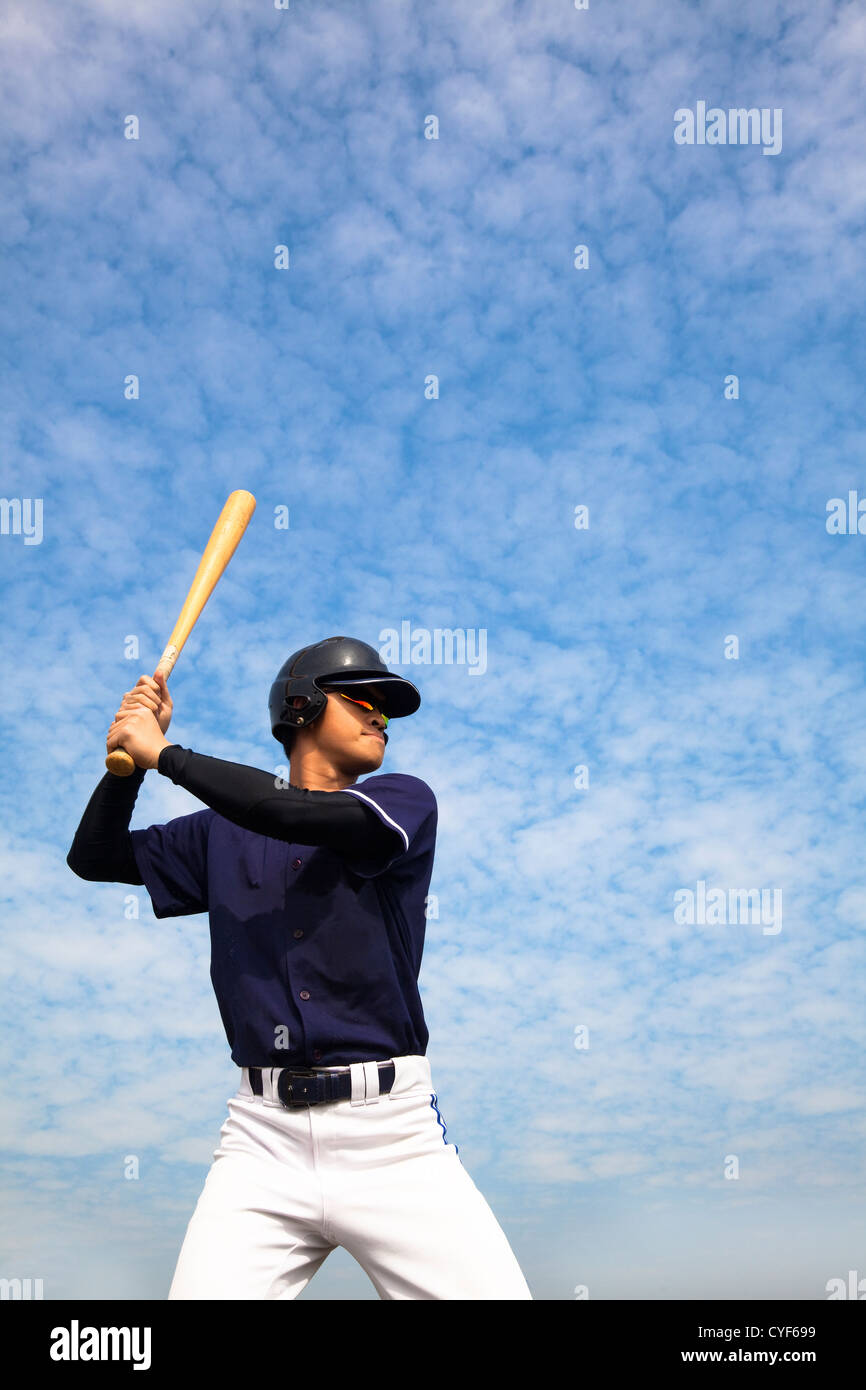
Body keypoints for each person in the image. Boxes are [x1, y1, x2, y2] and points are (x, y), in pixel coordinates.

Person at [67, 635, 532, 1300]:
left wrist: (165, 755)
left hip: (391, 1135)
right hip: (261, 1139)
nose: (381, 718)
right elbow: (94, 856)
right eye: (364, 699)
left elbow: (288, 811)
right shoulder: (216, 834)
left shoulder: (402, 800)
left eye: (387, 711)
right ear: (302, 705)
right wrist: (127, 765)